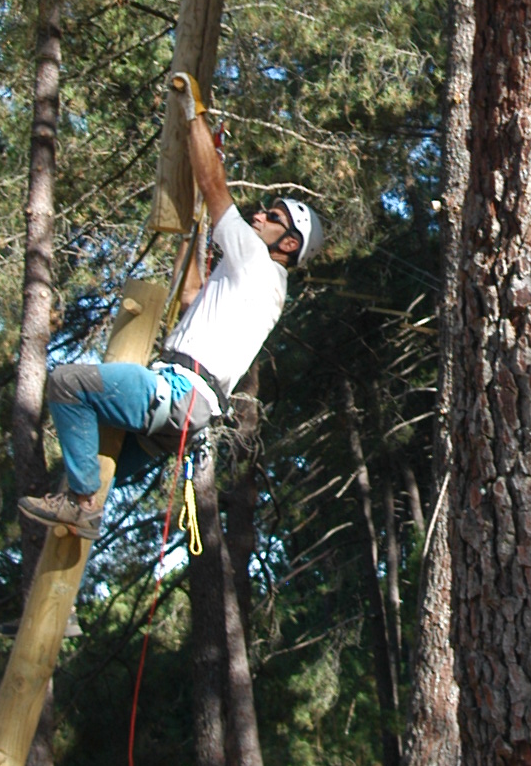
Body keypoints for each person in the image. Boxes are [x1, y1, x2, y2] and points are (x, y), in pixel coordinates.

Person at [18, 70, 322, 538]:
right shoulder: (260, 284)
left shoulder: (257, 261)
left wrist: (193, 115)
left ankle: (80, 505)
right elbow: (191, 295)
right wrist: (190, 235)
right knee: (93, 459)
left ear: (289, 244)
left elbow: (213, 185)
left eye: (273, 216)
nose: (259, 215)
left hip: (178, 395)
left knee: (67, 384)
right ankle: (77, 505)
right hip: (186, 413)